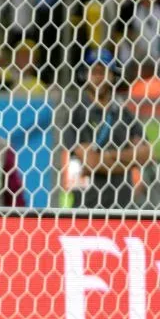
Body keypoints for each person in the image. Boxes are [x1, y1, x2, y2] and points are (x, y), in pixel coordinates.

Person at [63, 50, 152, 209]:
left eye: (104, 71)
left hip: (123, 208)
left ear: (113, 75)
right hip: (86, 209)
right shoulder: (77, 114)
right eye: (94, 72)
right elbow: (90, 162)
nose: (99, 77)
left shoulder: (124, 114)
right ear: (84, 74)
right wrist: (127, 159)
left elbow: (145, 154)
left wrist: (106, 157)